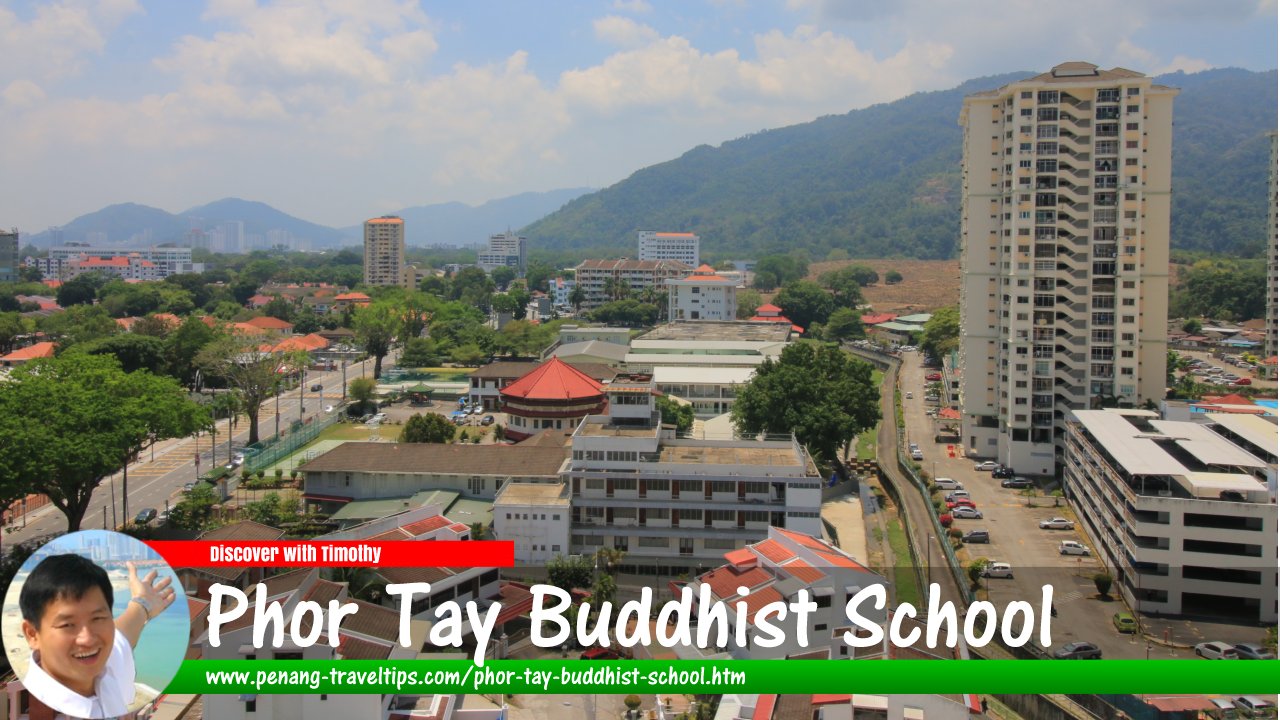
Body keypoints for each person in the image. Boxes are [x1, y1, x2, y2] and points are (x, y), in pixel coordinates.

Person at [19, 554, 177, 719]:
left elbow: (121, 636)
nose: (88, 639)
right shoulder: (44, 704)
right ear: (32, 634)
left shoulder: (105, 668)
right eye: (67, 625)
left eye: (97, 618)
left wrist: (143, 603)